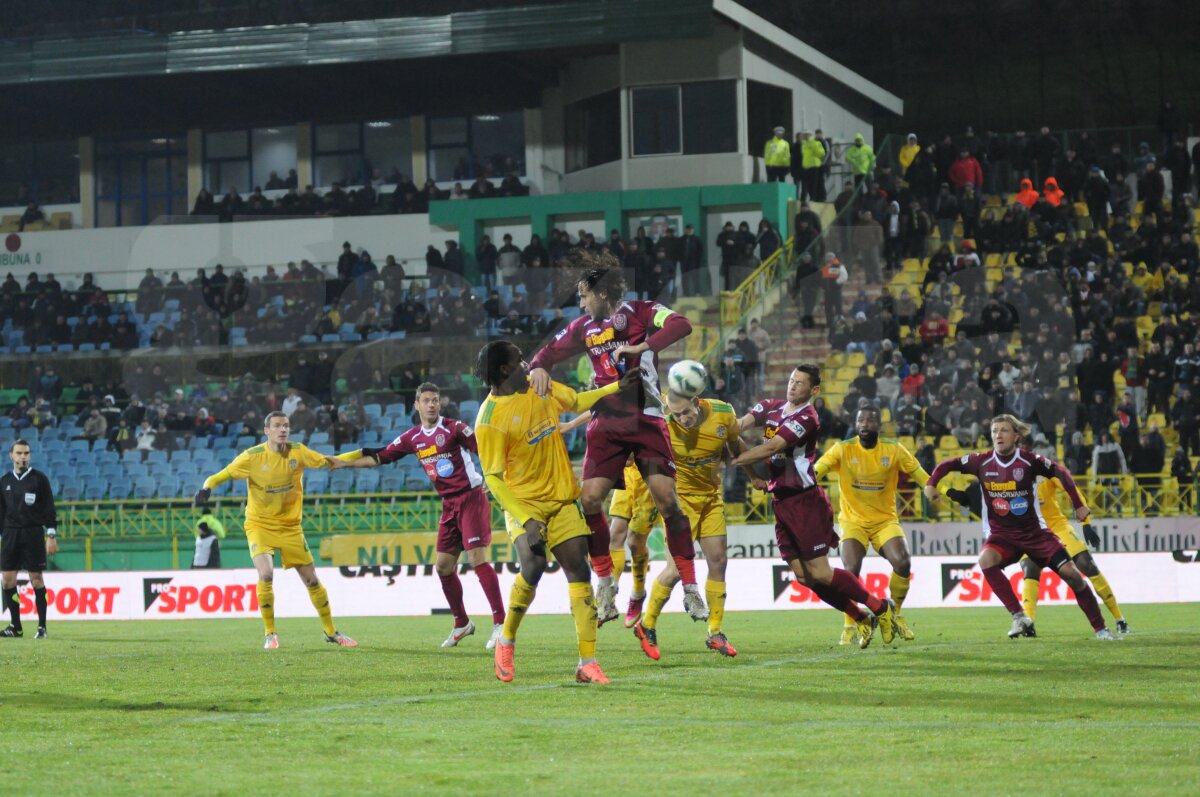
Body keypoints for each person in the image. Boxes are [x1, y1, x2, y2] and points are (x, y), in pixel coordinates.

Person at [527, 254, 705, 626]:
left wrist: (644, 347)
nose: (581, 303)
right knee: (589, 500)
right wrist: (540, 367)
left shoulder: (643, 311)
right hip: (606, 422)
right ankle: (606, 582)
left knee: (668, 502)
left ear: (601, 293)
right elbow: (545, 353)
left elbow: (681, 324)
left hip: (647, 420)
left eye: (584, 296)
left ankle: (690, 586)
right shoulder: (583, 329)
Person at [474, 340, 641, 684]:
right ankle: (506, 639)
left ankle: (587, 662)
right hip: (526, 504)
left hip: (563, 500)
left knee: (579, 572)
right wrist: (526, 518)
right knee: (533, 566)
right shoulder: (489, 420)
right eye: (520, 360)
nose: (528, 364)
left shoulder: (541, 386)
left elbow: (577, 401)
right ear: (504, 370)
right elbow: (492, 478)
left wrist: (615, 388)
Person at [330, 382, 506, 649]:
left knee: (476, 558)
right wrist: (344, 464)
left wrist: (494, 477)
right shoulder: (413, 438)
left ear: (440, 403)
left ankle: (500, 623)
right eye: (426, 400)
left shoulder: (455, 428)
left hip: (470, 498)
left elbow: (485, 449)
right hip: (449, 505)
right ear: (417, 405)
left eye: (435, 400)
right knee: (443, 567)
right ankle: (462, 623)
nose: (431, 404)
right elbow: (380, 457)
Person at [733, 364, 897, 648]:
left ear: (814, 390)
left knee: (820, 572)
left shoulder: (808, 417)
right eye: (791, 380)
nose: (792, 385)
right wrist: (716, 423)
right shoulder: (770, 407)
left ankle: (881, 607)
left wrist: (732, 462)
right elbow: (737, 426)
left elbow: (773, 448)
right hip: (781, 502)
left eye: (800, 382)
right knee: (804, 578)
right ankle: (861, 617)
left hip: (805, 501)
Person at [925, 415, 1117, 640]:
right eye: (995, 430)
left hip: (1035, 535)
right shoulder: (982, 462)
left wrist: (1078, 505)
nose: (998, 435)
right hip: (1002, 536)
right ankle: (1019, 616)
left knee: (1073, 576)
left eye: (1004, 430)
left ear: (1016, 436)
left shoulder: (1028, 461)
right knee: (986, 559)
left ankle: (1101, 629)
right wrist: (931, 484)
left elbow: (1061, 472)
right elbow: (949, 464)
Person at [195, 412, 357, 650]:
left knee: (312, 580)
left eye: (286, 425)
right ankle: (270, 633)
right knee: (266, 574)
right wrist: (206, 488)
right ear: (267, 431)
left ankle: (331, 631)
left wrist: (362, 455)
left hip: (291, 527)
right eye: (278, 426)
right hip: (259, 525)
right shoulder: (251, 457)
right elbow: (219, 476)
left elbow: (328, 461)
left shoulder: (298, 451)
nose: (283, 429)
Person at [631, 389, 751, 660]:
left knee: (718, 561)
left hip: (710, 498)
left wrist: (754, 472)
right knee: (674, 571)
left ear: (697, 402)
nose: (682, 419)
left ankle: (715, 631)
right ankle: (647, 623)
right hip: (680, 502)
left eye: (686, 412)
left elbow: (736, 444)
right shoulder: (663, 426)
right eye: (676, 415)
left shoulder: (722, 412)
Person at [815, 407, 926, 645]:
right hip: (852, 521)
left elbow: (920, 474)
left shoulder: (894, 449)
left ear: (879, 425)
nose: (865, 423)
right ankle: (851, 625)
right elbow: (819, 468)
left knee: (903, 563)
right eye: (860, 419)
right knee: (851, 569)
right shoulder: (842, 449)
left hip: (885, 521)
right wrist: (806, 478)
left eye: (870, 420)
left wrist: (937, 488)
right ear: (855, 424)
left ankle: (893, 614)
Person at [1021, 476, 1129, 635]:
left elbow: (1072, 489)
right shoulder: (1009, 476)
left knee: (1087, 565)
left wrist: (1086, 522)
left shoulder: (1045, 471)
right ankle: (1028, 624)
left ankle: (1120, 620)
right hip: (1032, 531)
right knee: (1030, 569)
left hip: (1058, 527)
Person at [0, 440, 58, 638]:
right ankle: (15, 626)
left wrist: (51, 534)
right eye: (19, 453)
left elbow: (49, 508)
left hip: (32, 533)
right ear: (11, 455)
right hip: (10, 534)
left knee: (37, 579)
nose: (22, 457)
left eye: (26, 453)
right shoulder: (4, 481)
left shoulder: (39, 479)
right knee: (7, 580)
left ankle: (42, 627)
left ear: (30, 456)